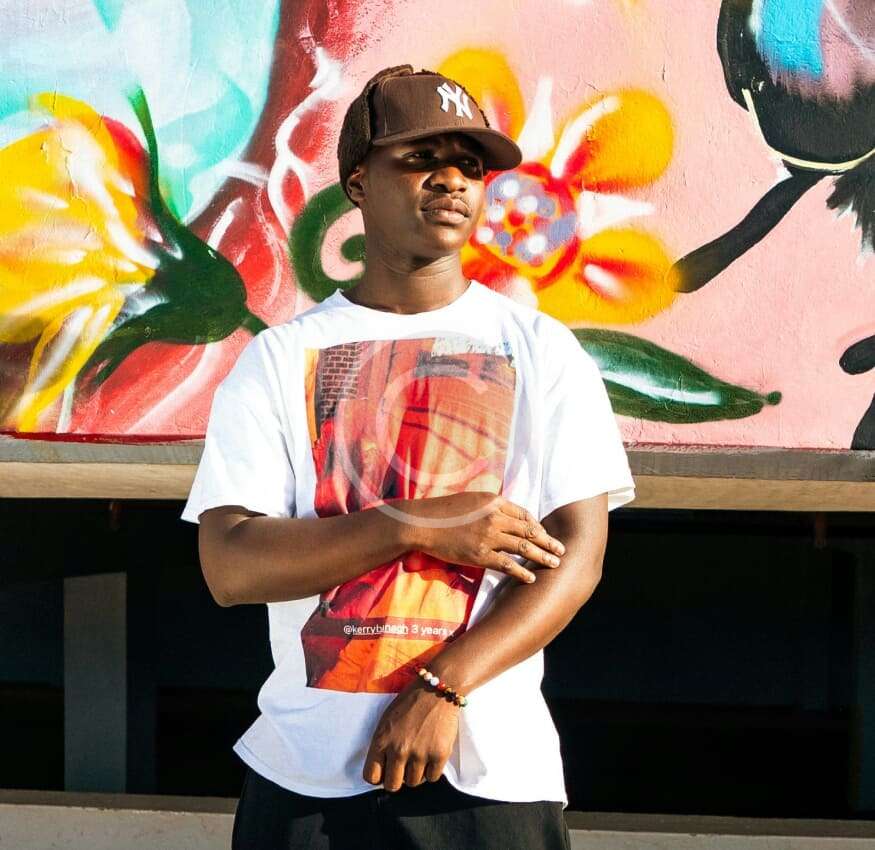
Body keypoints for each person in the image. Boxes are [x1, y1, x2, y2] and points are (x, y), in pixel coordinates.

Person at [181, 63, 635, 849]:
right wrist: (411, 523)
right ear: (358, 182)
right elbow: (231, 567)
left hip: (487, 773)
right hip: (308, 772)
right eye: (420, 159)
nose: (451, 181)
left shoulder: (541, 349)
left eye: (468, 166)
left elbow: (578, 557)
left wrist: (443, 688)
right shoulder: (280, 359)